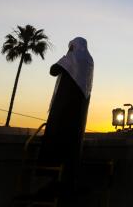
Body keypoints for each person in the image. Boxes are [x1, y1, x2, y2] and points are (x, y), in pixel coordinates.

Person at [37, 37, 94, 193]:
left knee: (57, 140)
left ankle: (51, 179)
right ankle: (68, 181)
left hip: (64, 109)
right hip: (79, 111)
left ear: (73, 46)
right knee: (72, 144)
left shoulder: (72, 57)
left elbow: (53, 70)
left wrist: (65, 57)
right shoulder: (89, 61)